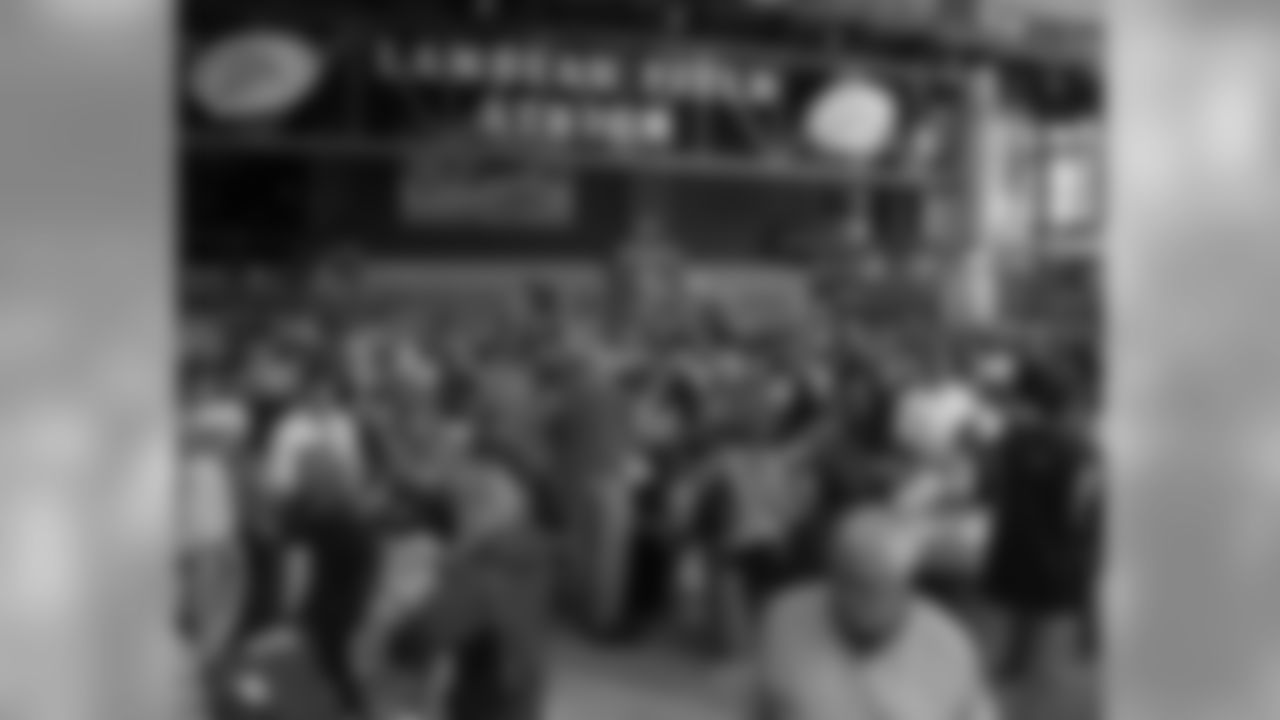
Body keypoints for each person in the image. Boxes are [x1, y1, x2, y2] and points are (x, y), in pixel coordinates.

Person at [749, 506, 998, 720]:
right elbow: (761, 701)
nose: (863, 603)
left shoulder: (949, 646)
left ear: (906, 586)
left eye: (878, 588)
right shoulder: (785, 619)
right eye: (852, 582)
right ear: (832, 577)